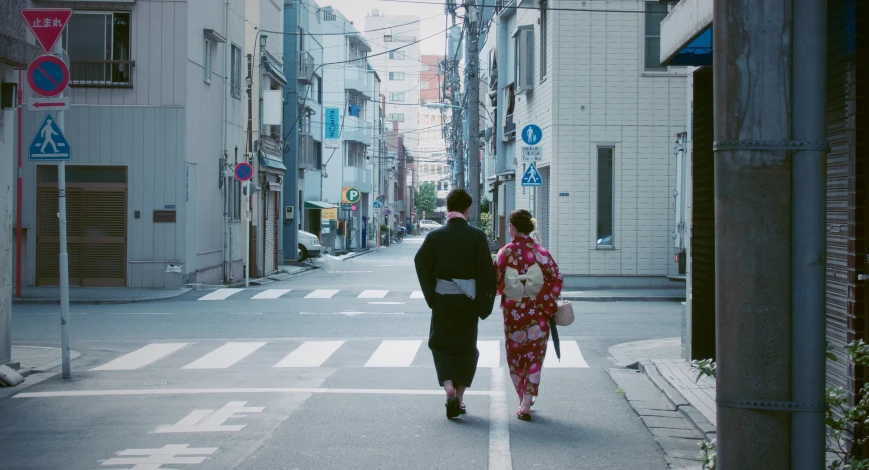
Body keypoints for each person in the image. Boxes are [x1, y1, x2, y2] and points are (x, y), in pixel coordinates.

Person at [414, 189, 497, 419]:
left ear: (449, 208)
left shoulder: (435, 236)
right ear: (467, 210)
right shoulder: (477, 236)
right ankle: (459, 399)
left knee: (440, 345)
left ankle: (447, 385)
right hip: (467, 301)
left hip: (442, 300)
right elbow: (486, 272)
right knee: (466, 348)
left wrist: (432, 294)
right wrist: (483, 301)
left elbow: (420, 262)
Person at [494, 209, 564, 421]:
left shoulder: (505, 253)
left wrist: (511, 289)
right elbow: (557, 278)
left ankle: (521, 395)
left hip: (514, 312)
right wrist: (545, 301)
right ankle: (527, 400)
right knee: (534, 357)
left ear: (512, 228)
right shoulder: (542, 253)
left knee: (515, 356)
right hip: (538, 314)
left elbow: (497, 280)